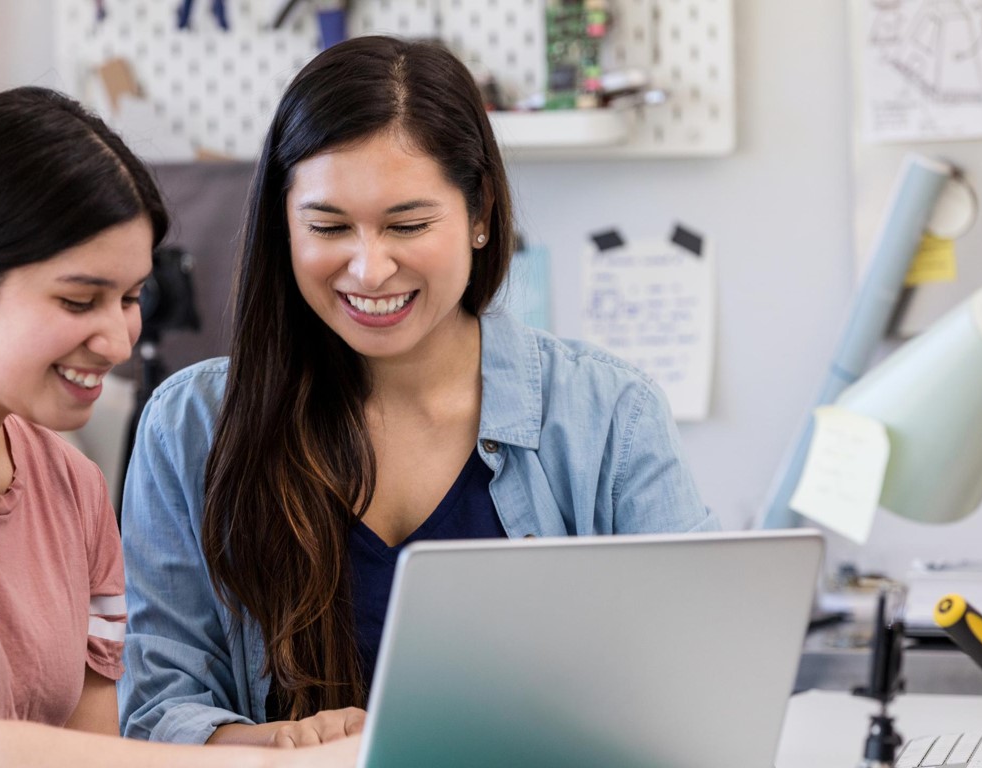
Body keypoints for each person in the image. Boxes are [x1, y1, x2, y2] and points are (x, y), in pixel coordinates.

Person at [119, 35, 718, 749]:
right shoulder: (190, 426)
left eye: (408, 224)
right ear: (284, 226)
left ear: (481, 215)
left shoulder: (610, 415)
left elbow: (697, 692)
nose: (370, 269)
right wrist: (290, 748)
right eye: (328, 226)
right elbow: (158, 710)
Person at [0, 87, 356, 768]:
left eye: (132, 298)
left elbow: (89, 756)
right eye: (80, 299)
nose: (117, 340)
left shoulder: (71, 486)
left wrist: (285, 740)